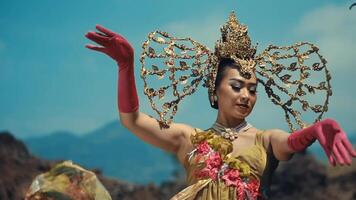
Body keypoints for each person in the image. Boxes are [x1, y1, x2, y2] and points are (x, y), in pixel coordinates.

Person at [85, 12, 356, 200]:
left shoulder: (266, 140)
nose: (246, 96)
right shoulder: (188, 139)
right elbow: (132, 120)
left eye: (252, 90)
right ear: (215, 90)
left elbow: (292, 143)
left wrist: (317, 129)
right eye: (236, 87)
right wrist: (125, 66)